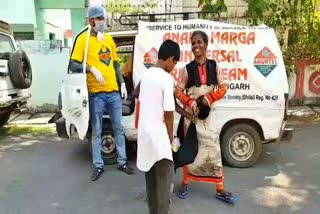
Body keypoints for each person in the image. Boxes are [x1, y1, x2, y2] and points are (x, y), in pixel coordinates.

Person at [69, 5, 134, 181]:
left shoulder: (109, 40)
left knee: (118, 128)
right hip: (96, 94)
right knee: (97, 130)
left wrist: (121, 83)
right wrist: (92, 70)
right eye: (100, 19)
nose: (103, 22)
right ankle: (98, 165)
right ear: (91, 21)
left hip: (113, 93)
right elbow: (73, 65)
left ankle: (123, 162)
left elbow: (115, 64)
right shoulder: (83, 40)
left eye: (104, 19)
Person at [174, 30, 237, 203]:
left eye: (199, 42)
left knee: (213, 151)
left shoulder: (214, 65)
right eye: (193, 43)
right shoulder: (186, 69)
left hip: (209, 118)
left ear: (206, 44)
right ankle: (185, 184)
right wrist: (191, 102)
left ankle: (220, 189)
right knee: (191, 150)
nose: (196, 46)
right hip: (192, 118)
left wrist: (209, 98)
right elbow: (178, 91)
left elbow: (223, 88)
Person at [133, 40, 180, 214]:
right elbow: (169, 113)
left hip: (145, 139)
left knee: (151, 188)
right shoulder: (167, 79)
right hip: (160, 142)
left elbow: (136, 93)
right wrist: (170, 139)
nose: (174, 67)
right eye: (175, 63)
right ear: (171, 59)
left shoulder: (145, 75)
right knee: (164, 190)